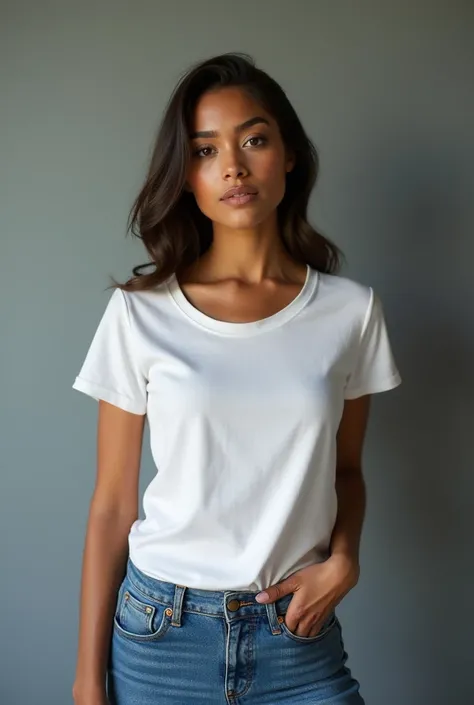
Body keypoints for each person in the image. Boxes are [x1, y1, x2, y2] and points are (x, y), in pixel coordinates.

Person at [71, 53, 401, 705]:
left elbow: (348, 473)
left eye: (254, 139)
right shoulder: (140, 314)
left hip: (297, 637)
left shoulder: (351, 312)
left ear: (289, 155)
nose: (234, 166)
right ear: (186, 175)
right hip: (161, 633)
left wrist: (344, 561)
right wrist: (87, 679)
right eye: (205, 149)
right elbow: (112, 504)